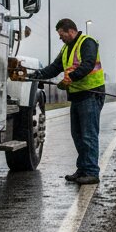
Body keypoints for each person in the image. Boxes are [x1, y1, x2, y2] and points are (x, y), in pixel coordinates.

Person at [34, 18, 105, 184]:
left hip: (91, 95)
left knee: (88, 136)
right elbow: (55, 67)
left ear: (70, 31)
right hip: (78, 96)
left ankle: (92, 172)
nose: (60, 38)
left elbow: (87, 65)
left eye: (61, 35)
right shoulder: (67, 48)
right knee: (78, 135)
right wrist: (38, 74)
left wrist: (70, 78)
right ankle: (82, 170)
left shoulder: (87, 42)